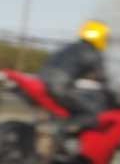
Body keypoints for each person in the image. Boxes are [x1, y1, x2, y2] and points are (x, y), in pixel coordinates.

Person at [38, 20, 112, 149]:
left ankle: (57, 136)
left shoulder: (70, 47)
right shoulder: (92, 53)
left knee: (69, 106)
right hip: (59, 88)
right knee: (94, 113)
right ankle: (65, 132)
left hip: (41, 83)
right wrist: (112, 92)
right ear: (101, 36)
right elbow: (102, 78)